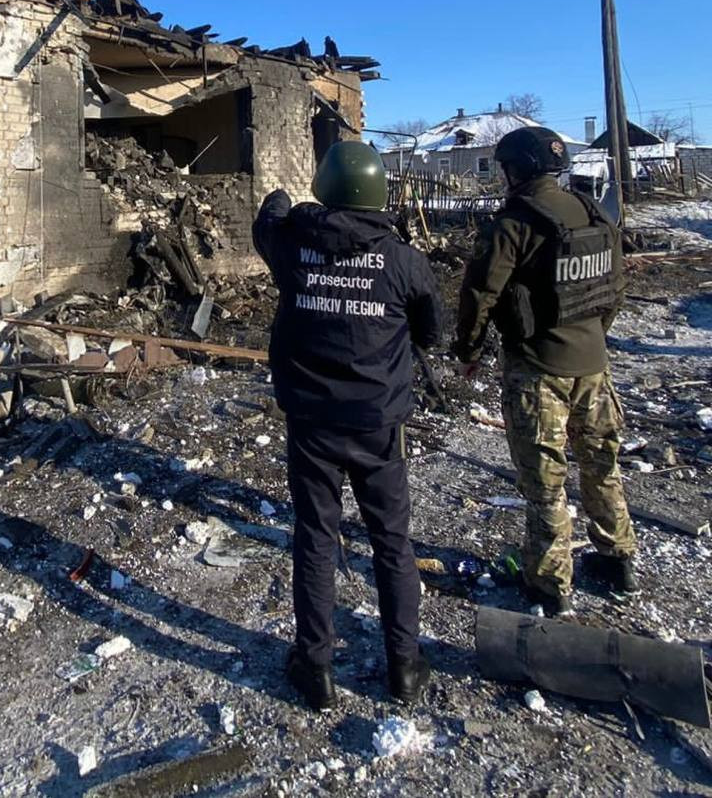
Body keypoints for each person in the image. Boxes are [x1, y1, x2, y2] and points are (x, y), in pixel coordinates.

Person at [253, 141, 441, 710]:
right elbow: (430, 333)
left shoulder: (292, 246)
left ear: (325, 188)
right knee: (391, 541)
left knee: (316, 536)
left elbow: (268, 219)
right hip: (378, 424)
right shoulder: (404, 261)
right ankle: (404, 666)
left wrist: (283, 197)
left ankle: (315, 667)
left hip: (312, 422)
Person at [453, 126, 636, 616]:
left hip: (538, 371)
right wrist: (592, 335)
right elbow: (615, 288)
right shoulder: (595, 213)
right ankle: (619, 560)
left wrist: (468, 350)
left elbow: (480, 294)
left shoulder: (513, 223)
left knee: (544, 483)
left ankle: (549, 584)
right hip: (594, 367)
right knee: (602, 466)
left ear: (517, 170)